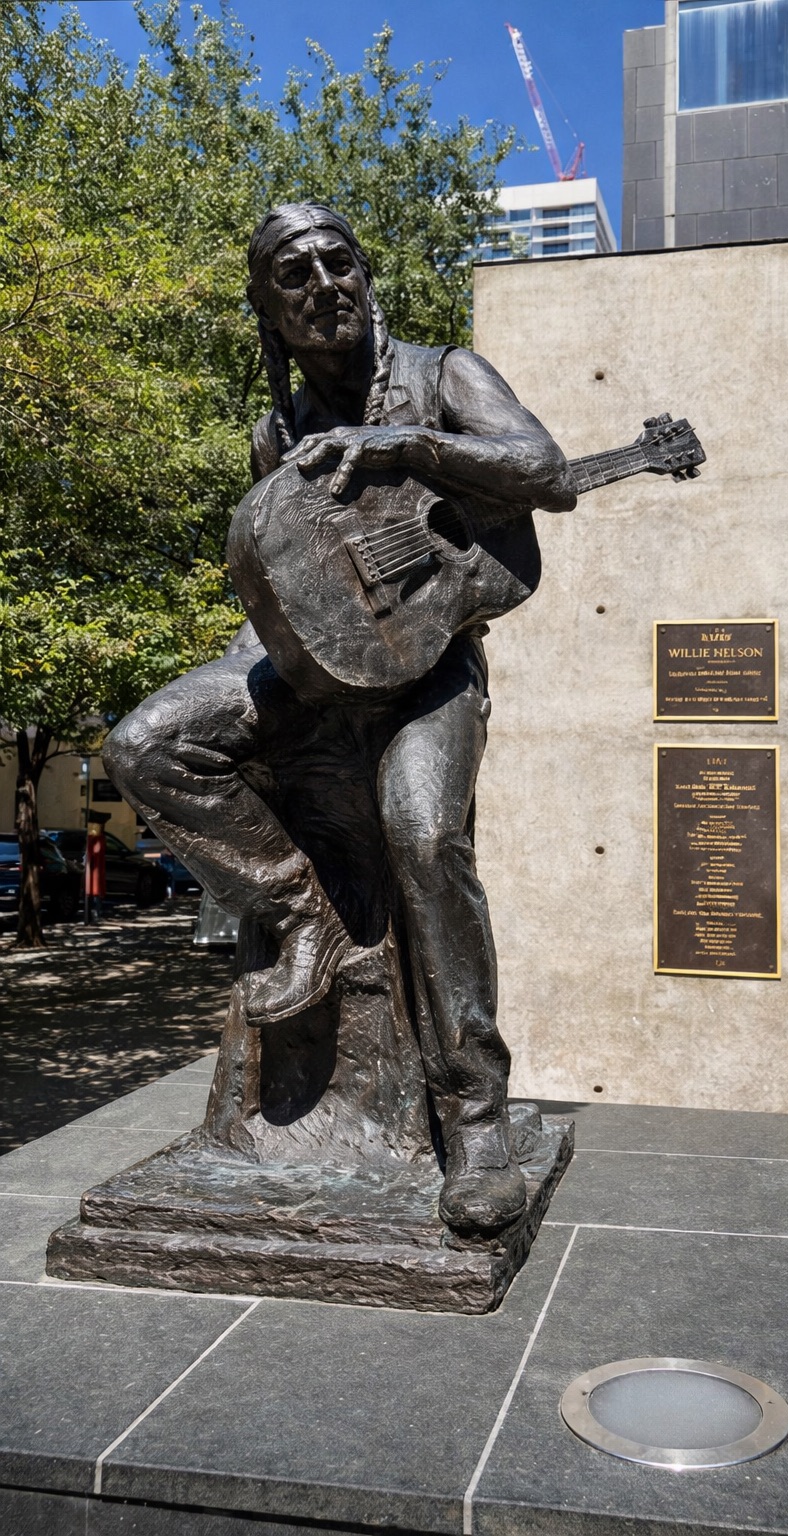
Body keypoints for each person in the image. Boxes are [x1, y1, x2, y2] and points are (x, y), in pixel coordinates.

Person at [103, 202, 576, 1236]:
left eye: (337, 262)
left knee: (423, 835)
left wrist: (406, 445)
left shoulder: (445, 374)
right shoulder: (276, 433)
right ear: (270, 313)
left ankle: (475, 1114)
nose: (323, 285)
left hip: (431, 675)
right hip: (313, 671)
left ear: (366, 275)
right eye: (293, 275)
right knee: (143, 745)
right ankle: (302, 917)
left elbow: (543, 473)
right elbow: (292, 588)